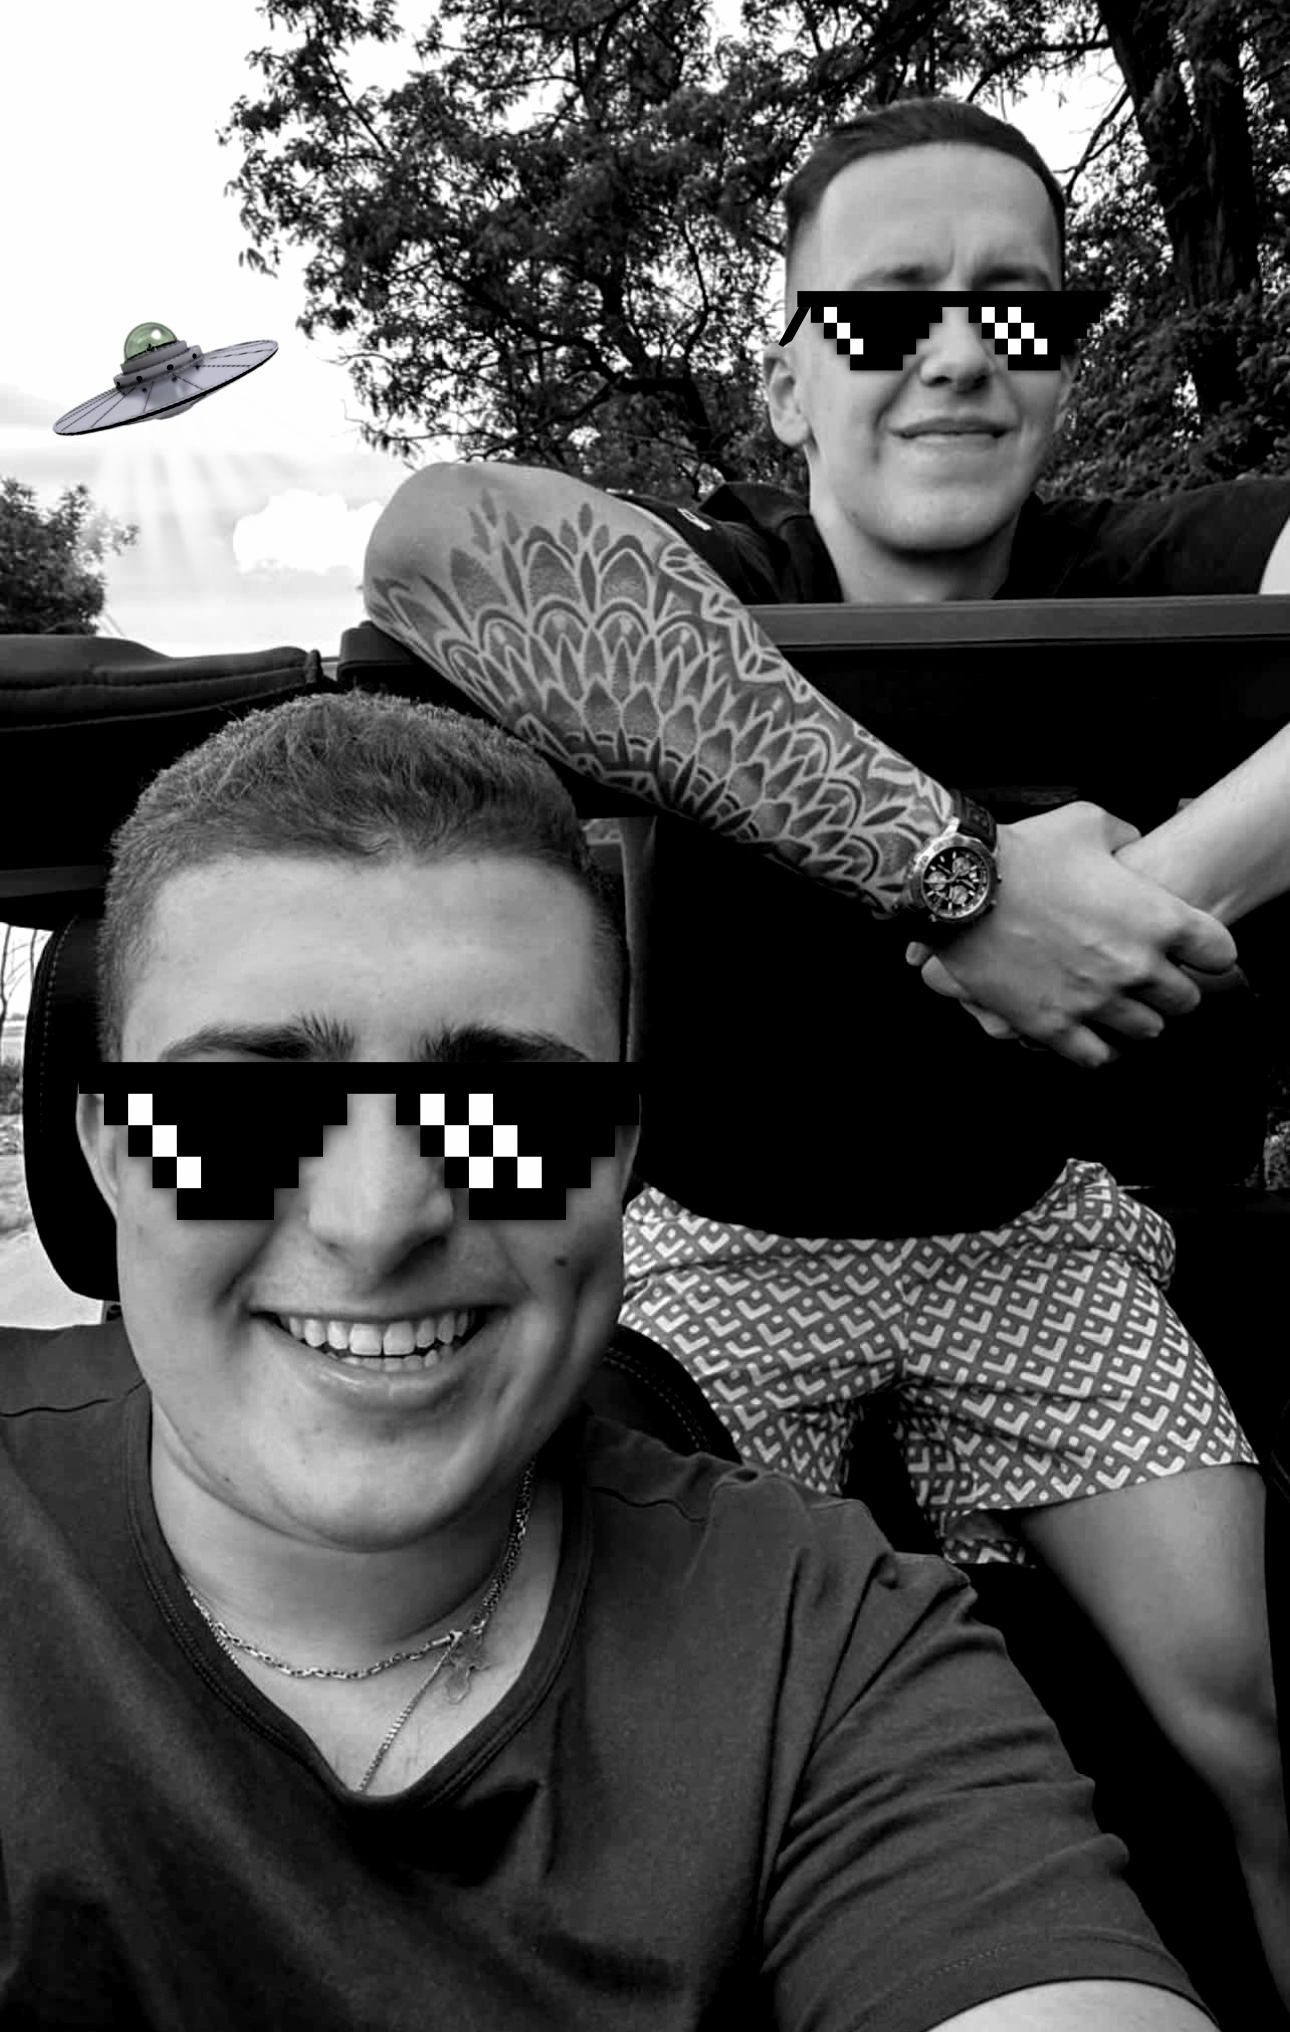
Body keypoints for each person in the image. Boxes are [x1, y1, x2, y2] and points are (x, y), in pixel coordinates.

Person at [359, 96, 1290, 2001]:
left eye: (1012, 308)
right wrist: (961, 888)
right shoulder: (715, 573)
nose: (953, 354)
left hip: (1023, 1236)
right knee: (634, 1743)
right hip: (715, 1243)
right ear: (786, 377)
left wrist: (1150, 894)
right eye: (880, 311)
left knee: (1253, 1711)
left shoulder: (1148, 567)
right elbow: (439, 541)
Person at [0, 689, 1216, 2030]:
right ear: (108, 1152)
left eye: (508, 1110)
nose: (377, 1221)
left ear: (619, 1160)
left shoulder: (819, 1641)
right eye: (241, 1110)